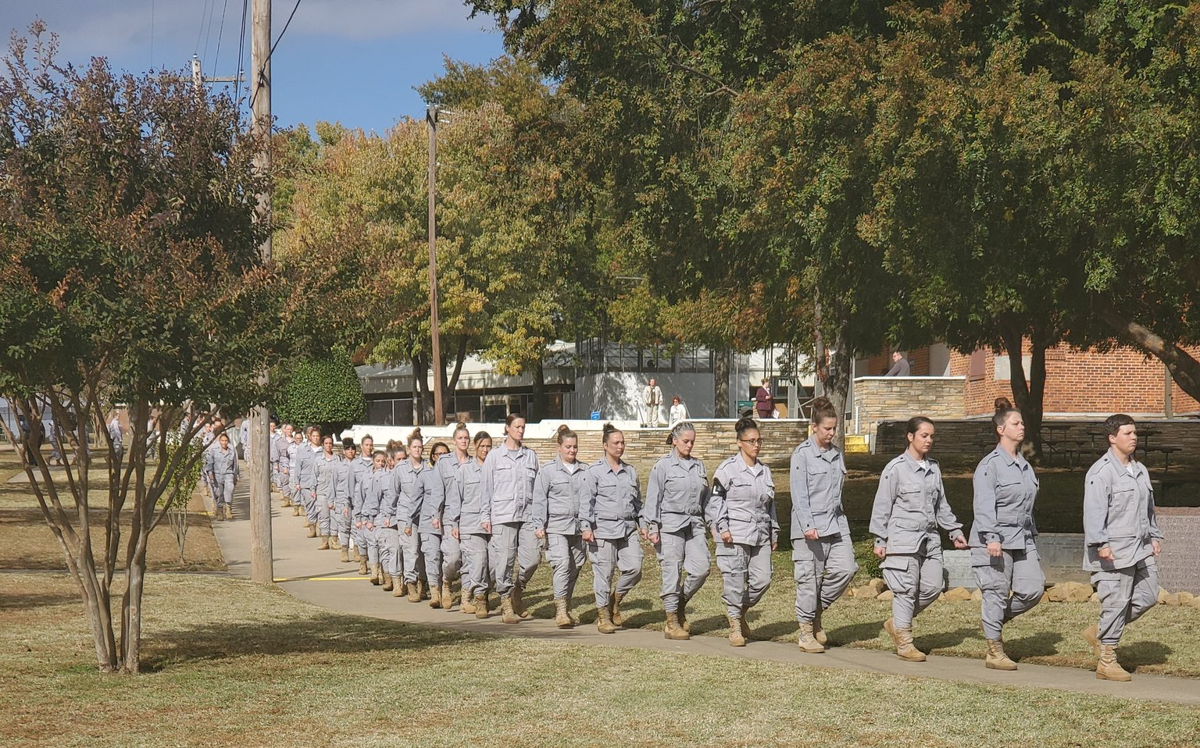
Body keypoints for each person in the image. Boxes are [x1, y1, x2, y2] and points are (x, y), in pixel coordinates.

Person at [871, 416, 967, 662]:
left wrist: (954, 531)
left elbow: (941, 505)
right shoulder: (895, 469)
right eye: (924, 435)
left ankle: (897, 623)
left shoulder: (933, 468)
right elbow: (882, 505)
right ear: (910, 436)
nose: (929, 440)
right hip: (903, 540)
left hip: (929, 539)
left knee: (933, 587)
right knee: (905, 590)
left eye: (932, 436)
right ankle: (904, 642)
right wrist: (880, 539)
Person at [1082, 414, 1164, 682]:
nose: (1134, 437)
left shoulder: (1140, 469)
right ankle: (1107, 661)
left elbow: (1148, 509)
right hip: (1114, 551)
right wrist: (1101, 544)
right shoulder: (1101, 473)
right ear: (1112, 438)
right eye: (1127, 433)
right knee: (1117, 603)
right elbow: (1093, 513)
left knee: (1149, 595)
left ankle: (1100, 630)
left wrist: (1154, 535)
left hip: (1140, 547)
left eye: (1135, 433)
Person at [969, 398, 1044, 671]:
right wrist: (991, 538)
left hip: (1022, 538)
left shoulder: (1024, 465)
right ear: (1001, 430)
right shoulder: (989, 465)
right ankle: (994, 650)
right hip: (995, 540)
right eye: (1015, 423)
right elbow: (983, 504)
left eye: (1022, 423)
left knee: (1033, 589)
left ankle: (993, 620)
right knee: (996, 592)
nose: (1021, 427)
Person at [790, 397, 857, 654]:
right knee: (809, 580)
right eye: (827, 428)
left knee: (847, 568)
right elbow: (799, 494)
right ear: (814, 426)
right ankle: (806, 632)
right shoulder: (802, 455)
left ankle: (816, 609)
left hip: (836, 524)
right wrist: (808, 525)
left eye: (834, 428)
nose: (831, 433)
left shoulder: (837, 454)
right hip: (810, 528)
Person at [708, 415, 778, 647]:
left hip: (760, 535)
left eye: (759, 440)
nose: (756, 445)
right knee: (735, 582)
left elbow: (770, 505)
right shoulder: (727, 470)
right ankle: (735, 626)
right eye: (751, 441)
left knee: (763, 579)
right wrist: (722, 527)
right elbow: (715, 501)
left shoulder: (765, 471)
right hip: (735, 535)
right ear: (739, 442)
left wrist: (774, 531)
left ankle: (739, 611)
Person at [643, 421, 710, 640]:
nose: (689, 445)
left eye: (692, 442)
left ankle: (680, 602)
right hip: (670, 526)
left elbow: (707, 499)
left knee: (702, 568)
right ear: (674, 440)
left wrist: (715, 523)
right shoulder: (662, 466)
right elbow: (653, 498)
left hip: (694, 525)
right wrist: (652, 527)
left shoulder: (698, 466)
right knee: (672, 573)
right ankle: (671, 623)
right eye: (685, 441)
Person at [584, 423, 643, 633]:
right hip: (603, 530)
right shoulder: (594, 472)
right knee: (604, 573)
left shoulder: (630, 471)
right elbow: (586, 502)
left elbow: (638, 503)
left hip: (628, 529)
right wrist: (586, 527)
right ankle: (603, 617)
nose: (620, 447)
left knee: (635, 568)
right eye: (616, 443)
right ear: (605, 445)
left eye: (622, 443)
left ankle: (615, 600)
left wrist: (644, 525)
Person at [482, 413, 541, 624]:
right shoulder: (495, 456)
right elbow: (486, 488)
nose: (521, 430)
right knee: (504, 561)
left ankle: (518, 590)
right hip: (503, 515)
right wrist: (485, 515)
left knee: (533, 559)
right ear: (507, 428)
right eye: (517, 426)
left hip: (528, 515)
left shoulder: (530, 456)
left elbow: (539, 489)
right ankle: (506, 602)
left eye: (523, 427)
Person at [532, 425, 590, 628]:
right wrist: (538, 523)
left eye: (575, 447)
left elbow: (590, 498)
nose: (572, 450)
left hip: (578, 527)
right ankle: (561, 611)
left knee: (576, 565)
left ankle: (566, 602)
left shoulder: (586, 470)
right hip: (556, 526)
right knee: (562, 564)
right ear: (559, 447)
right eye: (568, 447)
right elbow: (539, 498)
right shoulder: (548, 470)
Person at [446, 431, 493, 618]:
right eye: (482, 446)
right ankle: (479, 598)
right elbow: (455, 498)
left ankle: (467, 598)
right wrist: (454, 523)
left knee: (490, 565)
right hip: (471, 524)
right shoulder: (464, 470)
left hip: (493, 523)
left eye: (488, 446)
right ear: (475, 446)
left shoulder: (495, 469)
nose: (485, 450)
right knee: (478, 561)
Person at [434, 424, 474, 611]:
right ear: (454, 441)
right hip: (450, 516)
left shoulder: (473, 463)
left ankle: (466, 598)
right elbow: (437, 490)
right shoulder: (444, 463)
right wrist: (436, 514)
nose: (464, 441)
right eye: (460, 438)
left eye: (466, 438)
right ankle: (446, 582)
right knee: (453, 557)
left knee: (469, 559)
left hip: (469, 517)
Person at [392, 429, 429, 601]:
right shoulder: (400, 469)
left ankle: (423, 582)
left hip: (424, 515)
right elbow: (393, 493)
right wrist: (391, 515)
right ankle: (411, 583)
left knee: (424, 551)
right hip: (406, 515)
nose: (417, 450)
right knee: (411, 550)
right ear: (408, 449)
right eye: (414, 447)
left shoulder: (428, 468)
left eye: (420, 447)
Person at [417, 441, 451, 609]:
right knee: (432, 556)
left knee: (447, 558)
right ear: (432, 456)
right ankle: (434, 592)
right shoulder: (425, 475)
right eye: (438, 454)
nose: (442, 457)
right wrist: (407, 521)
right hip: (428, 522)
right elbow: (415, 500)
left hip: (448, 522)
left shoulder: (454, 473)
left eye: (445, 454)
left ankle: (445, 586)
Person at [360, 451, 396, 587]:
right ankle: (375, 572)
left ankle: (384, 574)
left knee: (383, 546)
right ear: (373, 461)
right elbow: (363, 498)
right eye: (378, 461)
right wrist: (364, 518)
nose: (381, 463)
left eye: (383, 461)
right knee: (373, 544)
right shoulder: (367, 477)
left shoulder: (389, 476)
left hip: (382, 516)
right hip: (372, 515)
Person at [350, 434, 377, 573]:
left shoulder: (376, 461)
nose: (369, 447)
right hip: (359, 504)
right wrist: (351, 504)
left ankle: (375, 565)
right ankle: (363, 562)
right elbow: (351, 486)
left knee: (372, 538)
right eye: (366, 445)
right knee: (360, 537)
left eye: (371, 445)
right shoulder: (355, 464)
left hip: (373, 506)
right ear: (361, 446)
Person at [333, 438, 358, 563]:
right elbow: (333, 484)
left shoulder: (358, 465)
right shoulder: (338, 466)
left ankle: (357, 551)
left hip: (356, 501)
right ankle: (344, 550)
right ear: (344, 451)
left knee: (356, 527)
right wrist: (331, 500)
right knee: (344, 526)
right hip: (342, 501)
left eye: (353, 449)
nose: (351, 451)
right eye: (348, 449)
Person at [204, 432, 239, 521]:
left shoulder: (232, 451)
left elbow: (235, 465)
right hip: (217, 475)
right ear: (219, 441)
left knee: (229, 489)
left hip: (228, 474)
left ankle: (228, 508)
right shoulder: (214, 451)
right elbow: (210, 463)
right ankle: (220, 511)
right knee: (218, 494)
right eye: (222, 440)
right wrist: (210, 473)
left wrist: (236, 476)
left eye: (226, 441)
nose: (224, 442)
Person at [295, 428, 322, 538]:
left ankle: (321, 527)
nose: (315, 438)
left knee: (320, 506)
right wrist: (297, 482)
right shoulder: (303, 450)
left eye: (317, 436)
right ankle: (312, 527)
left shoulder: (323, 451)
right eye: (313, 436)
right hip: (306, 483)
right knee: (310, 506)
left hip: (320, 483)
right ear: (310, 437)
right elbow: (298, 467)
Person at [314, 435, 339, 550]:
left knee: (334, 517)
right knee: (323, 516)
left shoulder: (337, 459)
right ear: (322, 445)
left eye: (330, 443)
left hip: (334, 493)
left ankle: (334, 540)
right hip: (322, 492)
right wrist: (313, 490)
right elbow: (314, 475)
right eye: (326, 443)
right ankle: (325, 541)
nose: (328, 445)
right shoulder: (318, 460)